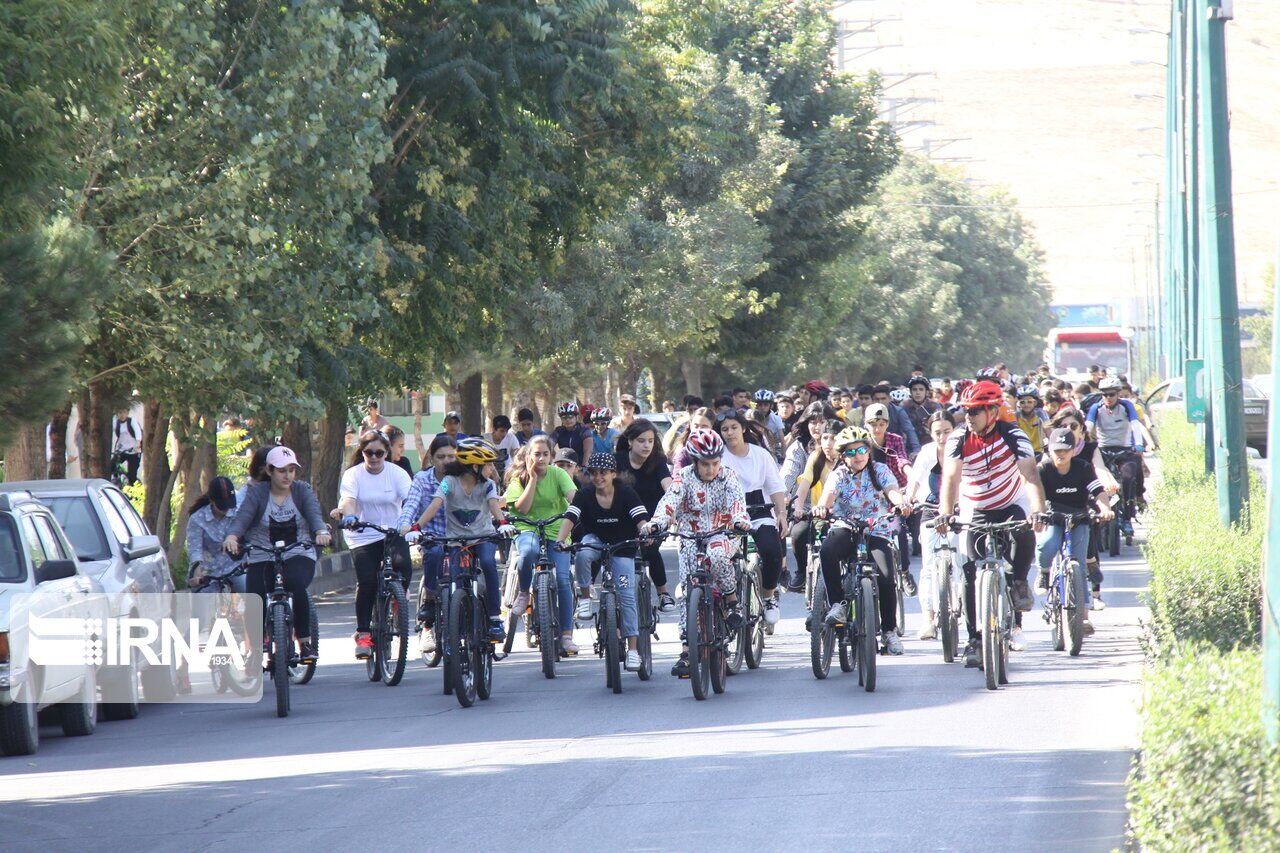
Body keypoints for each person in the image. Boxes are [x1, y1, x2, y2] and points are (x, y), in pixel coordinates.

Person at [935, 381, 1047, 665]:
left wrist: (1037, 511)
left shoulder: (1014, 435)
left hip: (1011, 502)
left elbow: (1031, 476)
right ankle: (975, 639)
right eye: (966, 412)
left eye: (975, 412)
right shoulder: (958, 439)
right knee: (971, 571)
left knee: (1024, 535)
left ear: (992, 411)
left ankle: (1019, 582)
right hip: (977, 506)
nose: (969, 417)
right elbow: (950, 478)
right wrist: (946, 513)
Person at [643, 429, 751, 678]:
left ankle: (732, 602)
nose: (711, 469)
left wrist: (739, 520)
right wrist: (657, 523)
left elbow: (737, 502)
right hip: (690, 538)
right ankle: (686, 650)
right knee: (686, 592)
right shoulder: (683, 477)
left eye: (715, 463)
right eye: (705, 464)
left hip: (722, 533)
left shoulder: (728, 477)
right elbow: (668, 503)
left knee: (717, 556)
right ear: (694, 461)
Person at [222, 446, 330, 664]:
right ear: (269, 471)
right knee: (256, 596)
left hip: (298, 551)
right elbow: (242, 519)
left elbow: (314, 514)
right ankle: (256, 644)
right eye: (281, 470)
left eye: (291, 470)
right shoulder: (258, 493)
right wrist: (232, 537)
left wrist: (321, 532)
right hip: (264, 553)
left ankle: (304, 642)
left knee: (296, 585)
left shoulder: (302, 491)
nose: (287, 475)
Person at [812, 426, 910, 655]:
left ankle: (888, 631)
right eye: (850, 452)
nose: (857, 456)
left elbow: (892, 490)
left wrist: (900, 502)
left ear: (869, 450)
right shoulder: (839, 475)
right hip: (846, 527)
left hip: (877, 530)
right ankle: (838, 605)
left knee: (886, 578)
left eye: (861, 450)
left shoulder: (880, 469)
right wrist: (821, 508)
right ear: (842, 456)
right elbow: (828, 497)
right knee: (827, 550)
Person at [411, 438, 514, 641]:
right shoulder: (449, 483)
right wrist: (416, 527)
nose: (492, 469)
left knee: (487, 562)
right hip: (457, 541)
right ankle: (458, 620)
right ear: (475, 466)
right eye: (489, 464)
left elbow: (494, 505)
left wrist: (502, 523)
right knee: (457, 580)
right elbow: (435, 504)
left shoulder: (488, 486)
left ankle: (494, 618)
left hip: (482, 537)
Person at [559, 452, 649, 671]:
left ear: (613, 474)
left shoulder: (626, 493)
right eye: (594, 473)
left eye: (604, 473)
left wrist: (645, 532)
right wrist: (560, 540)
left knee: (627, 595)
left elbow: (640, 518)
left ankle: (634, 650)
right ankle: (585, 597)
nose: (598, 477)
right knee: (582, 553)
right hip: (596, 540)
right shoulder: (585, 494)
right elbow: (571, 516)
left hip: (623, 546)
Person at [336, 430, 413, 659]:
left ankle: (398, 602)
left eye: (379, 452)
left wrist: (409, 522)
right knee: (367, 581)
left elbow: (410, 500)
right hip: (362, 534)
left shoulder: (397, 473)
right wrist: (350, 517)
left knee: (403, 565)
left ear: (386, 453)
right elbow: (348, 500)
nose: (374, 457)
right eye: (369, 452)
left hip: (393, 531)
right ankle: (363, 634)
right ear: (362, 452)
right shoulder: (353, 475)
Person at [1034, 428, 1115, 636]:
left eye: (1065, 450)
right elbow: (1036, 496)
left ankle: (1082, 614)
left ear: (1073, 451)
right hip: (1053, 517)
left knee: (1078, 565)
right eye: (1056, 450)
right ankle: (1044, 573)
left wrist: (1104, 508)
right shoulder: (1043, 469)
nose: (1061, 455)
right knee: (1048, 544)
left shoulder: (1084, 468)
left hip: (1079, 518)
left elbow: (1098, 492)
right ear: (1049, 451)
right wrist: (1038, 513)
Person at [506, 435, 579, 654]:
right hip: (527, 527)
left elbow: (573, 495)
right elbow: (524, 508)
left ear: (551, 456)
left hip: (556, 529)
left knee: (564, 580)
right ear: (528, 456)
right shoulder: (518, 478)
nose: (540, 458)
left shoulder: (558, 474)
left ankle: (566, 635)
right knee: (527, 553)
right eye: (536, 454)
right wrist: (533, 479)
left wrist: (581, 502)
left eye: (545, 454)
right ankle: (524, 592)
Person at [714, 411, 787, 626]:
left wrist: (781, 514)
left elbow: (775, 486)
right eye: (725, 429)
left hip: (758, 510)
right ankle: (728, 602)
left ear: (743, 429)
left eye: (734, 427)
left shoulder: (760, 455)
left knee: (772, 552)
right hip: (727, 515)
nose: (730, 433)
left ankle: (768, 597)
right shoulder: (717, 458)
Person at [904, 411, 957, 641]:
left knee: (962, 561)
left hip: (959, 511)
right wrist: (908, 499)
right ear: (930, 433)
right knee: (928, 567)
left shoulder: (963, 449)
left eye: (947, 432)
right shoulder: (927, 452)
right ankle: (928, 618)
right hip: (930, 510)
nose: (943, 437)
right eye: (937, 433)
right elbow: (914, 480)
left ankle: (965, 608)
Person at [398, 434, 457, 641]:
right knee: (434, 554)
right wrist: (406, 526)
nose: (447, 461)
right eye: (441, 457)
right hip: (432, 536)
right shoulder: (422, 479)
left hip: (461, 537)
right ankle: (429, 607)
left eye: (451, 456)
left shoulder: (463, 477)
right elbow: (411, 505)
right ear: (432, 458)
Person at [615, 418, 677, 612]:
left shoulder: (658, 460)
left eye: (650, 440)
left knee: (650, 549)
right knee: (619, 553)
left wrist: (672, 507)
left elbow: (669, 486)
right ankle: (615, 600)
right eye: (641, 440)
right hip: (624, 518)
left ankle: (663, 593)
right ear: (630, 441)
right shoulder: (619, 460)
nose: (646, 445)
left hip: (654, 518)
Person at [1085, 377, 1155, 538]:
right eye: (1104, 395)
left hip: (1124, 450)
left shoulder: (1126, 406)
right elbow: (1088, 426)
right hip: (1103, 450)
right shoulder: (1096, 408)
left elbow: (1135, 425)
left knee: (1128, 478)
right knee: (1095, 480)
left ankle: (1127, 518)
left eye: (1111, 394)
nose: (1108, 398)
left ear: (1117, 394)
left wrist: (1138, 444)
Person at [863, 402, 916, 594]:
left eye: (881, 424)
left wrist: (911, 474)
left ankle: (904, 571)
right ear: (865, 424)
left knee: (899, 530)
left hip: (893, 490)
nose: (877, 429)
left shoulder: (894, 440)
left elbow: (900, 459)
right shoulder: (860, 442)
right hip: (866, 495)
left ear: (887, 424)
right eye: (872, 424)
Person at [789, 419, 845, 591]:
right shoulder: (816, 457)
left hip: (844, 515)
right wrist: (798, 508)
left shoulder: (849, 459)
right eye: (825, 438)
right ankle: (801, 571)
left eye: (833, 438)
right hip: (818, 513)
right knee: (798, 532)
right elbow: (804, 485)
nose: (828, 443)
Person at [186, 476, 242, 592]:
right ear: (212, 500)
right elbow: (195, 548)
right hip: (208, 571)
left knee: (253, 594)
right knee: (202, 605)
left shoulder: (239, 513)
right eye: (222, 505)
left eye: (229, 504)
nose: (226, 509)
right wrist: (197, 568)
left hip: (235, 567)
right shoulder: (197, 519)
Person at [871, 383, 921, 456]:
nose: (880, 402)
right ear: (872, 400)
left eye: (883, 399)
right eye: (877, 399)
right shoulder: (869, 412)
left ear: (889, 399)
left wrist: (916, 450)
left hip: (895, 448)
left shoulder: (898, 412)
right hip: (874, 448)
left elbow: (909, 430)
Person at [903, 376, 941, 450]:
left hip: (931, 445)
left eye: (921, 389)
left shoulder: (934, 406)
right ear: (910, 392)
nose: (917, 392)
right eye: (914, 390)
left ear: (926, 392)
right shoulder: (904, 406)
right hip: (909, 447)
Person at [111, 406, 143, 485]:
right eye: (120, 413)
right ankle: (117, 481)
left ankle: (133, 491)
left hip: (133, 451)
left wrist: (138, 443)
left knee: (132, 475)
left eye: (124, 412)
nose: (122, 415)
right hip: (122, 450)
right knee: (111, 467)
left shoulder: (132, 421)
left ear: (127, 413)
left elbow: (137, 431)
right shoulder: (116, 422)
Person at [750, 389, 786, 459]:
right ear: (756, 405)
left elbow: (782, 441)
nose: (762, 407)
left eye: (766, 405)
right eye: (760, 405)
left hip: (773, 451)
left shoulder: (776, 419)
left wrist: (783, 457)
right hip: (755, 451)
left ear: (771, 406)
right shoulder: (751, 417)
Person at [1015, 386, 1050, 455]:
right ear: (1018, 404)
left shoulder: (1041, 414)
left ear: (1035, 403)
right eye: (1022, 402)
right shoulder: (1016, 416)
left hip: (1038, 452)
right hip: (1022, 451)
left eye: (1029, 401)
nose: (1026, 405)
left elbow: (1049, 432)